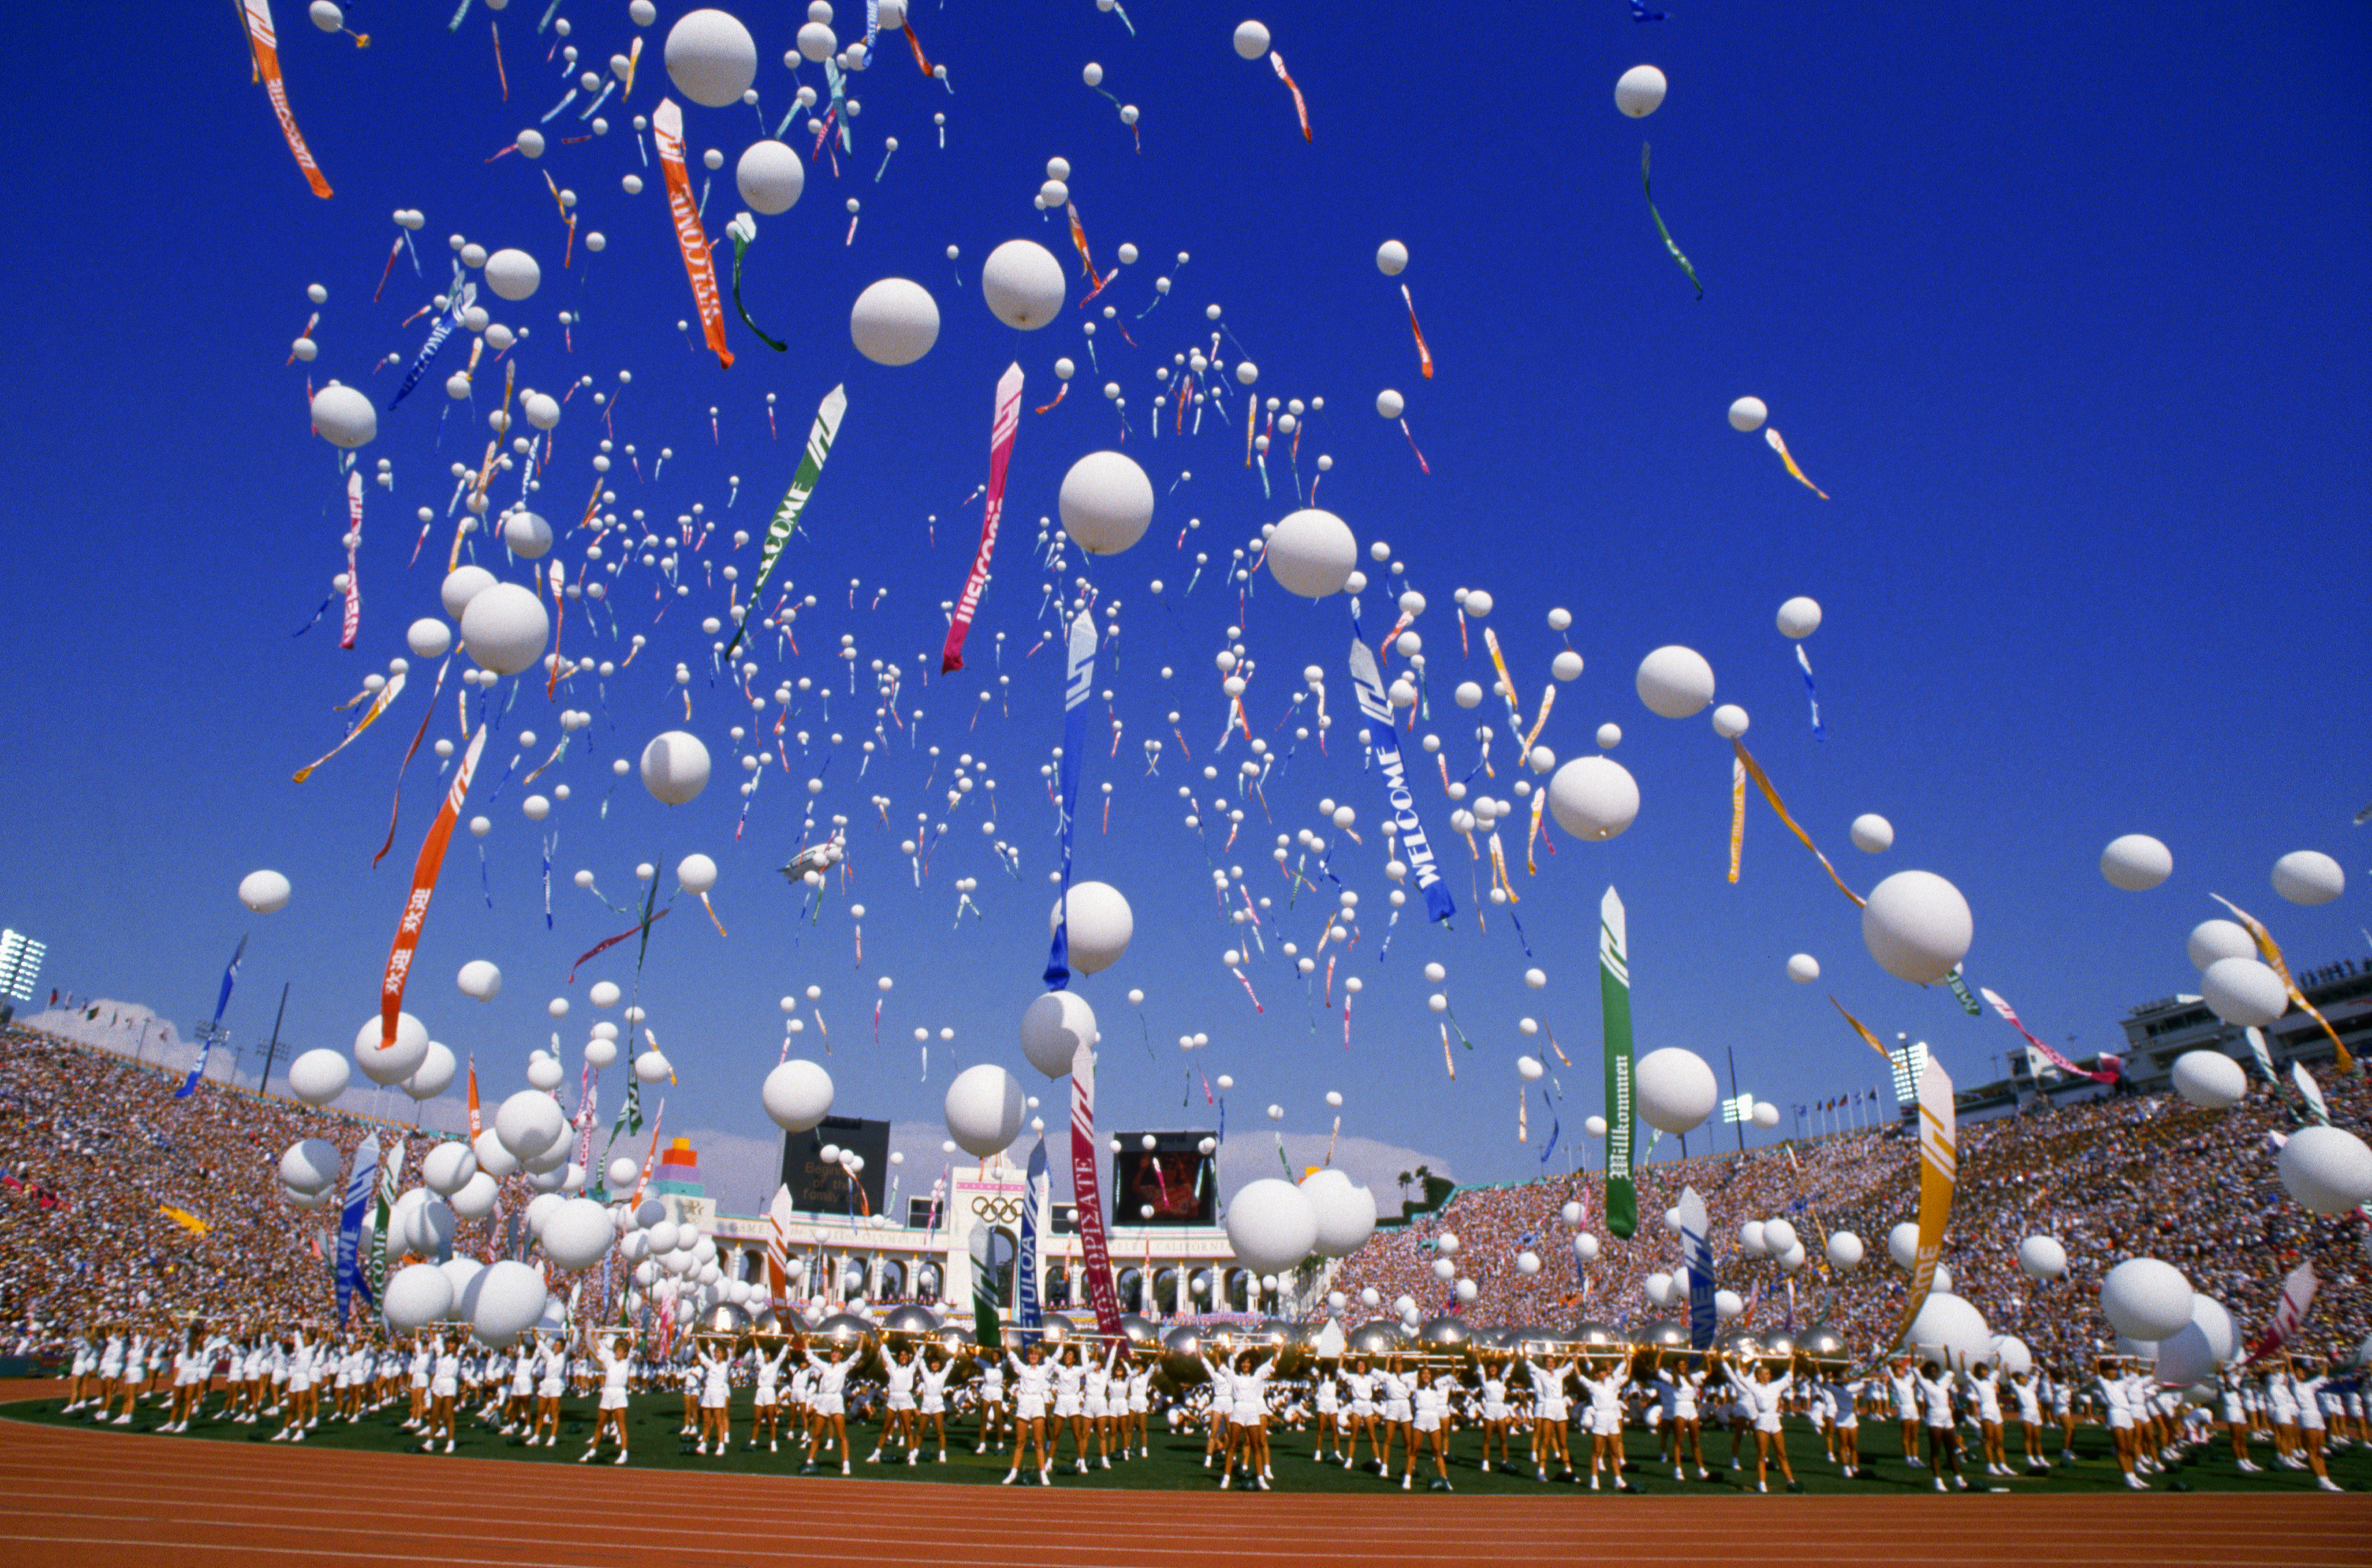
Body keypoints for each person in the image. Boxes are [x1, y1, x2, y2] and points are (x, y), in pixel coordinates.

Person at [1721, 1349, 1801, 1494]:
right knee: (1762, 1455)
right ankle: (1762, 1483)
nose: (1768, 1376)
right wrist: (1737, 1360)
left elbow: (1789, 1378)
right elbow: (1739, 1376)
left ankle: (1790, 1481)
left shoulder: (1775, 1386)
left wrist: (1792, 1362)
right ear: (1758, 1376)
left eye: (1769, 1374)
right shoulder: (1754, 1386)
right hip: (1762, 1421)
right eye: (1764, 1374)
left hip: (1775, 1420)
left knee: (1781, 1454)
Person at [1574, 1348, 1633, 1492]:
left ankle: (1618, 1480)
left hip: (1612, 1418)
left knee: (1614, 1452)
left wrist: (1629, 1360)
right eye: (1602, 1371)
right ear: (1597, 1374)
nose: (1605, 1373)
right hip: (1600, 1418)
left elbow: (1626, 1376)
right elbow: (1580, 1377)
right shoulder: (1593, 1386)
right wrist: (1575, 1361)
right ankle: (1594, 1479)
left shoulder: (1613, 1383)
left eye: (1605, 1371)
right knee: (1596, 1452)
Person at [802, 1333, 859, 1475]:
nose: (834, 1354)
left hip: (836, 1401)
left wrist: (862, 1339)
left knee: (841, 1435)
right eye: (833, 1352)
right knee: (817, 1433)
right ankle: (810, 1461)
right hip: (823, 1400)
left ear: (841, 1356)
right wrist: (805, 1341)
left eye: (837, 1353)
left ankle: (846, 1464)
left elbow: (857, 1355)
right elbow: (811, 1358)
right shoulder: (825, 1367)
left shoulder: (844, 1367)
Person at [1003, 1340, 1055, 1485]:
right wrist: (1005, 1336)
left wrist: (1062, 1339)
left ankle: (1043, 1475)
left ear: (1039, 1356)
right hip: (1024, 1404)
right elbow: (1011, 1355)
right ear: (1028, 1356)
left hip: (1038, 1403)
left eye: (1036, 1354)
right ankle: (1013, 1473)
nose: (1033, 1356)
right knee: (1020, 1442)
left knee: (1038, 1442)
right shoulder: (1022, 1369)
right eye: (1031, 1353)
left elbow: (1055, 1358)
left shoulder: (1044, 1369)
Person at [581, 1331, 632, 1465]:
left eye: (620, 1350)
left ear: (625, 1353)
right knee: (600, 1425)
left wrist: (631, 1334)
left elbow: (631, 1342)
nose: (617, 1352)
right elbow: (598, 1348)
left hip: (619, 1394)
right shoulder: (610, 1359)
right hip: (607, 1393)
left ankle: (624, 1453)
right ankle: (592, 1451)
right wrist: (592, 1336)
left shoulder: (627, 1361)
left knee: (621, 1425)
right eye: (617, 1349)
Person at [1524, 1348, 1573, 1482]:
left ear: (1555, 1364)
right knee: (1545, 1441)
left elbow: (1572, 1364)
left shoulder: (1559, 1373)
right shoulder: (1541, 1373)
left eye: (1552, 1362)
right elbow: (1527, 1362)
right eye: (1548, 1362)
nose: (1550, 1364)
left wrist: (1578, 1350)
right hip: (1549, 1406)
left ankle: (1568, 1470)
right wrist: (1525, 1347)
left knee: (1563, 1442)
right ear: (1545, 1364)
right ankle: (1541, 1471)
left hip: (1560, 1407)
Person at [1409, 1364, 1452, 1491]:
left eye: (1428, 1374)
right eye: (1423, 1374)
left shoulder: (1436, 1386)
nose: (1426, 1376)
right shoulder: (1415, 1388)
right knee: (1415, 1449)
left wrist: (1453, 1364)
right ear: (1420, 1376)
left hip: (1433, 1418)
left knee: (1437, 1451)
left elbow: (1451, 1376)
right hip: (1421, 1417)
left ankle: (1445, 1479)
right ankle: (1407, 1478)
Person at [915, 1345, 953, 1461]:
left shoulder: (943, 1375)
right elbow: (920, 1362)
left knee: (939, 1431)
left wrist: (958, 1351)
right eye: (933, 1363)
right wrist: (914, 1347)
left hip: (937, 1404)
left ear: (940, 1365)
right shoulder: (925, 1374)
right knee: (921, 1431)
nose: (935, 1365)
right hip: (926, 1404)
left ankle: (942, 1453)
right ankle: (915, 1452)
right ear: (930, 1364)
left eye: (937, 1363)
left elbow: (950, 1364)